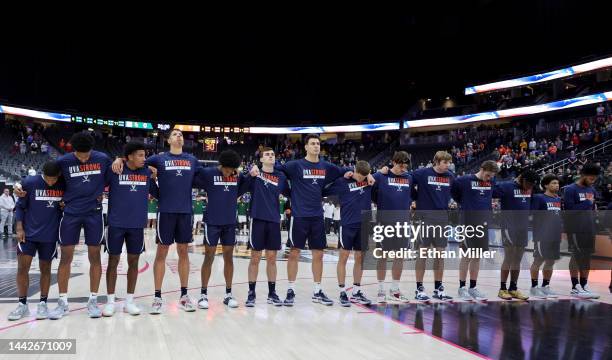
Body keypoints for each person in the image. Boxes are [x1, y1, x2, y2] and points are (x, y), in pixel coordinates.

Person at [249, 134, 369, 306]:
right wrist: (255, 169)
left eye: (318, 144)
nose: (316, 146)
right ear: (305, 147)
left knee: (318, 255)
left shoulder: (326, 166)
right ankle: (291, 290)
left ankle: (317, 290)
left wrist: (366, 174)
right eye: (312, 143)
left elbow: (346, 171)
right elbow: (274, 169)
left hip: (317, 217)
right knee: (294, 253)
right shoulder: (295, 165)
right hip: (299, 216)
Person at [112, 128, 204, 314]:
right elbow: (135, 161)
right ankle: (157, 296)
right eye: (175, 134)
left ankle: (184, 295)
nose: (179, 136)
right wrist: (119, 159)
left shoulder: (192, 160)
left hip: (186, 211)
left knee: (183, 252)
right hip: (165, 211)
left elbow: (206, 176)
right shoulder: (159, 158)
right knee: (161, 253)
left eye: (181, 135)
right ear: (168, 140)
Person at [35, 131, 112, 319]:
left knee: (95, 258)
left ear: (92, 150)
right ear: (73, 150)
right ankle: (62, 302)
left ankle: (93, 300)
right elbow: (49, 179)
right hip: (70, 213)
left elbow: (113, 175)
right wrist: (24, 187)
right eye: (80, 155)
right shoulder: (64, 162)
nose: (84, 158)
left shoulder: (103, 159)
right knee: (65, 258)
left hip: (94, 213)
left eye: (87, 155)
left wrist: (118, 161)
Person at [103, 142, 157, 317]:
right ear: (130, 157)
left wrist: (155, 177)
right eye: (140, 155)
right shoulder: (115, 169)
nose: (144, 158)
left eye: (144, 155)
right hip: (116, 224)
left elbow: (157, 193)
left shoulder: (147, 172)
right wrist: (117, 159)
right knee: (113, 262)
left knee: (134, 263)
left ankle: (129, 301)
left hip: (136, 225)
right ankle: (110, 302)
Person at [7, 162, 64, 321]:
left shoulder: (63, 183)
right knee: (22, 268)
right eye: (48, 179)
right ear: (42, 174)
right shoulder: (30, 182)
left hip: (50, 235)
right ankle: (22, 304)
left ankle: (43, 304)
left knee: (46, 269)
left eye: (54, 179)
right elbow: (20, 206)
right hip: (29, 234)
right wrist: (19, 227)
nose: (51, 182)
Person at [194, 150, 246, 309]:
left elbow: (248, 180)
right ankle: (203, 294)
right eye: (226, 169)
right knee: (208, 257)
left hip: (230, 222)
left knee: (229, 258)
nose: (229, 172)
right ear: (220, 165)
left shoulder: (238, 176)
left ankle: (228, 294)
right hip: (212, 222)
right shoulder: (208, 173)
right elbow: (193, 170)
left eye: (232, 169)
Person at [242, 147, 289, 307]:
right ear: (261, 159)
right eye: (267, 155)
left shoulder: (281, 176)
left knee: (272, 258)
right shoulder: (255, 174)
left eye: (272, 154)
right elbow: (240, 186)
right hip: (258, 219)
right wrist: (249, 173)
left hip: (274, 220)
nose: (270, 156)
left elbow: (290, 193)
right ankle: (251, 292)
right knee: (255, 257)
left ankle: (272, 293)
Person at [323, 160, 373, 306]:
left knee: (360, 258)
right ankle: (342, 291)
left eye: (364, 176)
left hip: (364, 224)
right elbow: (324, 189)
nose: (361, 178)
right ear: (354, 170)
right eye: (359, 175)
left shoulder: (369, 181)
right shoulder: (342, 181)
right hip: (347, 224)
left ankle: (356, 291)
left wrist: (369, 175)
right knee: (343, 258)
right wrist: (342, 174)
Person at [452, 160, 499, 301]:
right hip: (467, 222)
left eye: (492, 176)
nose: (489, 178)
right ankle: (462, 288)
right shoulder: (464, 180)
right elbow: (454, 193)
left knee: (477, 257)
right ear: (482, 169)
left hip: (483, 223)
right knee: (466, 256)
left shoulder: (491, 182)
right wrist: (465, 203)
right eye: (488, 175)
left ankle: (473, 288)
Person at [412, 151, 455, 302]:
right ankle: (419, 289)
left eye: (449, 163)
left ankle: (438, 288)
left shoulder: (450, 176)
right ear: (436, 161)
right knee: (422, 254)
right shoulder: (422, 173)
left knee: (440, 255)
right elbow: (406, 181)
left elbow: (455, 192)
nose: (447, 165)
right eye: (445, 162)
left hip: (442, 217)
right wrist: (413, 199)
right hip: (425, 217)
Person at [372, 151, 414, 303]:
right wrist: (377, 171)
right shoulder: (380, 176)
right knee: (382, 256)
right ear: (393, 162)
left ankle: (394, 289)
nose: (403, 169)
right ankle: (381, 289)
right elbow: (370, 189)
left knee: (400, 257)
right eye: (400, 166)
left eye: (405, 166)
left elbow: (412, 196)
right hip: (384, 223)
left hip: (403, 223)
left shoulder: (409, 178)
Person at [493, 170, 539, 301]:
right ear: (521, 179)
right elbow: (489, 191)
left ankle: (513, 288)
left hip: (523, 227)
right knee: (509, 256)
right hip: (509, 226)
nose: (530, 187)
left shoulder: (530, 189)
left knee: (518, 258)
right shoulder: (506, 186)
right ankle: (502, 289)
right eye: (529, 184)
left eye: (532, 185)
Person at [563, 163, 600, 299]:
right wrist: (588, 204)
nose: (593, 181)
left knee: (587, 256)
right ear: (583, 175)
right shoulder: (570, 189)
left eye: (594, 179)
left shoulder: (591, 189)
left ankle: (584, 285)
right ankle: (575, 286)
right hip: (575, 227)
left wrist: (592, 208)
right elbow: (570, 210)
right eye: (591, 178)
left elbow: (591, 206)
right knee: (576, 256)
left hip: (589, 227)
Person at [529, 174, 562, 299]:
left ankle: (545, 286)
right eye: (553, 183)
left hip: (555, 235)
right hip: (542, 235)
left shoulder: (558, 199)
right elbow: (532, 215)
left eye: (557, 183)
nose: (556, 185)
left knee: (551, 261)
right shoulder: (539, 198)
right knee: (538, 260)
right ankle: (534, 287)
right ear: (546, 185)